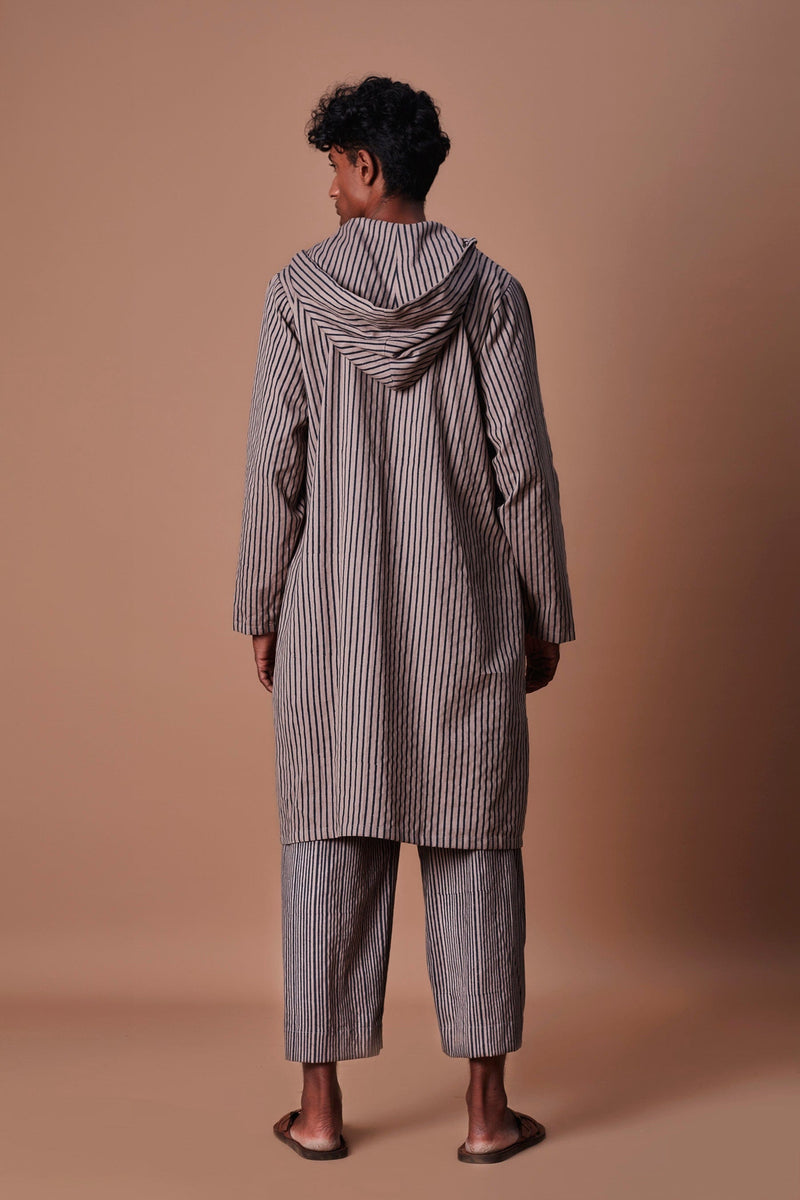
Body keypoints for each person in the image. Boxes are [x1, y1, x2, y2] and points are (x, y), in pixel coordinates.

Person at [233, 75, 576, 1164]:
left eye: (335, 167)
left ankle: (319, 1113)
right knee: (476, 852)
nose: (329, 188)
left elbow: (275, 466)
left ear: (368, 167)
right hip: (464, 621)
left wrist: (261, 604)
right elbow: (523, 471)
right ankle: (485, 1117)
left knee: (326, 846)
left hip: (331, 624)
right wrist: (543, 612)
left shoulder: (297, 294)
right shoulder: (492, 293)